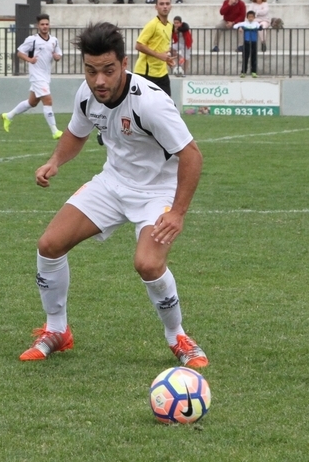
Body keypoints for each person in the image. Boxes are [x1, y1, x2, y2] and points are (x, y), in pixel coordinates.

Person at [18, 22, 207, 369]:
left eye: (108, 70)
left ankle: (177, 336)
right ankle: (56, 330)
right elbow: (76, 132)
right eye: (91, 71)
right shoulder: (87, 94)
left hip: (156, 192)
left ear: (124, 63)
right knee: (49, 245)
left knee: (148, 264)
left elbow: (192, 155)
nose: (99, 80)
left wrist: (177, 212)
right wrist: (55, 161)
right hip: (112, 182)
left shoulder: (150, 102)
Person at [1, 14, 63, 139]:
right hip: (36, 76)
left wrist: (57, 57)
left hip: (45, 76)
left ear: (49, 25)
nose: (45, 26)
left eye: (47, 24)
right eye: (42, 24)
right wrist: (30, 59)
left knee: (32, 102)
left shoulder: (54, 40)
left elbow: (58, 54)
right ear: (37, 26)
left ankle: (8, 116)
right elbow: (19, 53)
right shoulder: (32, 39)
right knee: (48, 101)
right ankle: (55, 131)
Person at [135, 0, 174, 96]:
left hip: (162, 72)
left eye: (167, 4)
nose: (165, 6)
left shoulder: (170, 25)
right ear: (156, 7)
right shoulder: (152, 24)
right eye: (161, 4)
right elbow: (138, 45)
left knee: (167, 103)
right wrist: (159, 56)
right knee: (145, 104)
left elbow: (160, 46)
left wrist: (166, 59)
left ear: (171, 6)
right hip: (146, 73)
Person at [234, 11, 261, 77]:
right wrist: (240, 27)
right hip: (246, 42)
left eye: (252, 17)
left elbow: (260, 27)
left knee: (254, 58)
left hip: (254, 42)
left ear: (254, 17)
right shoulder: (244, 23)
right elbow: (235, 26)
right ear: (247, 17)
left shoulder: (256, 24)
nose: (250, 18)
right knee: (245, 58)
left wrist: (260, 27)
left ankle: (254, 72)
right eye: (249, 17)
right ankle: (243, 72)